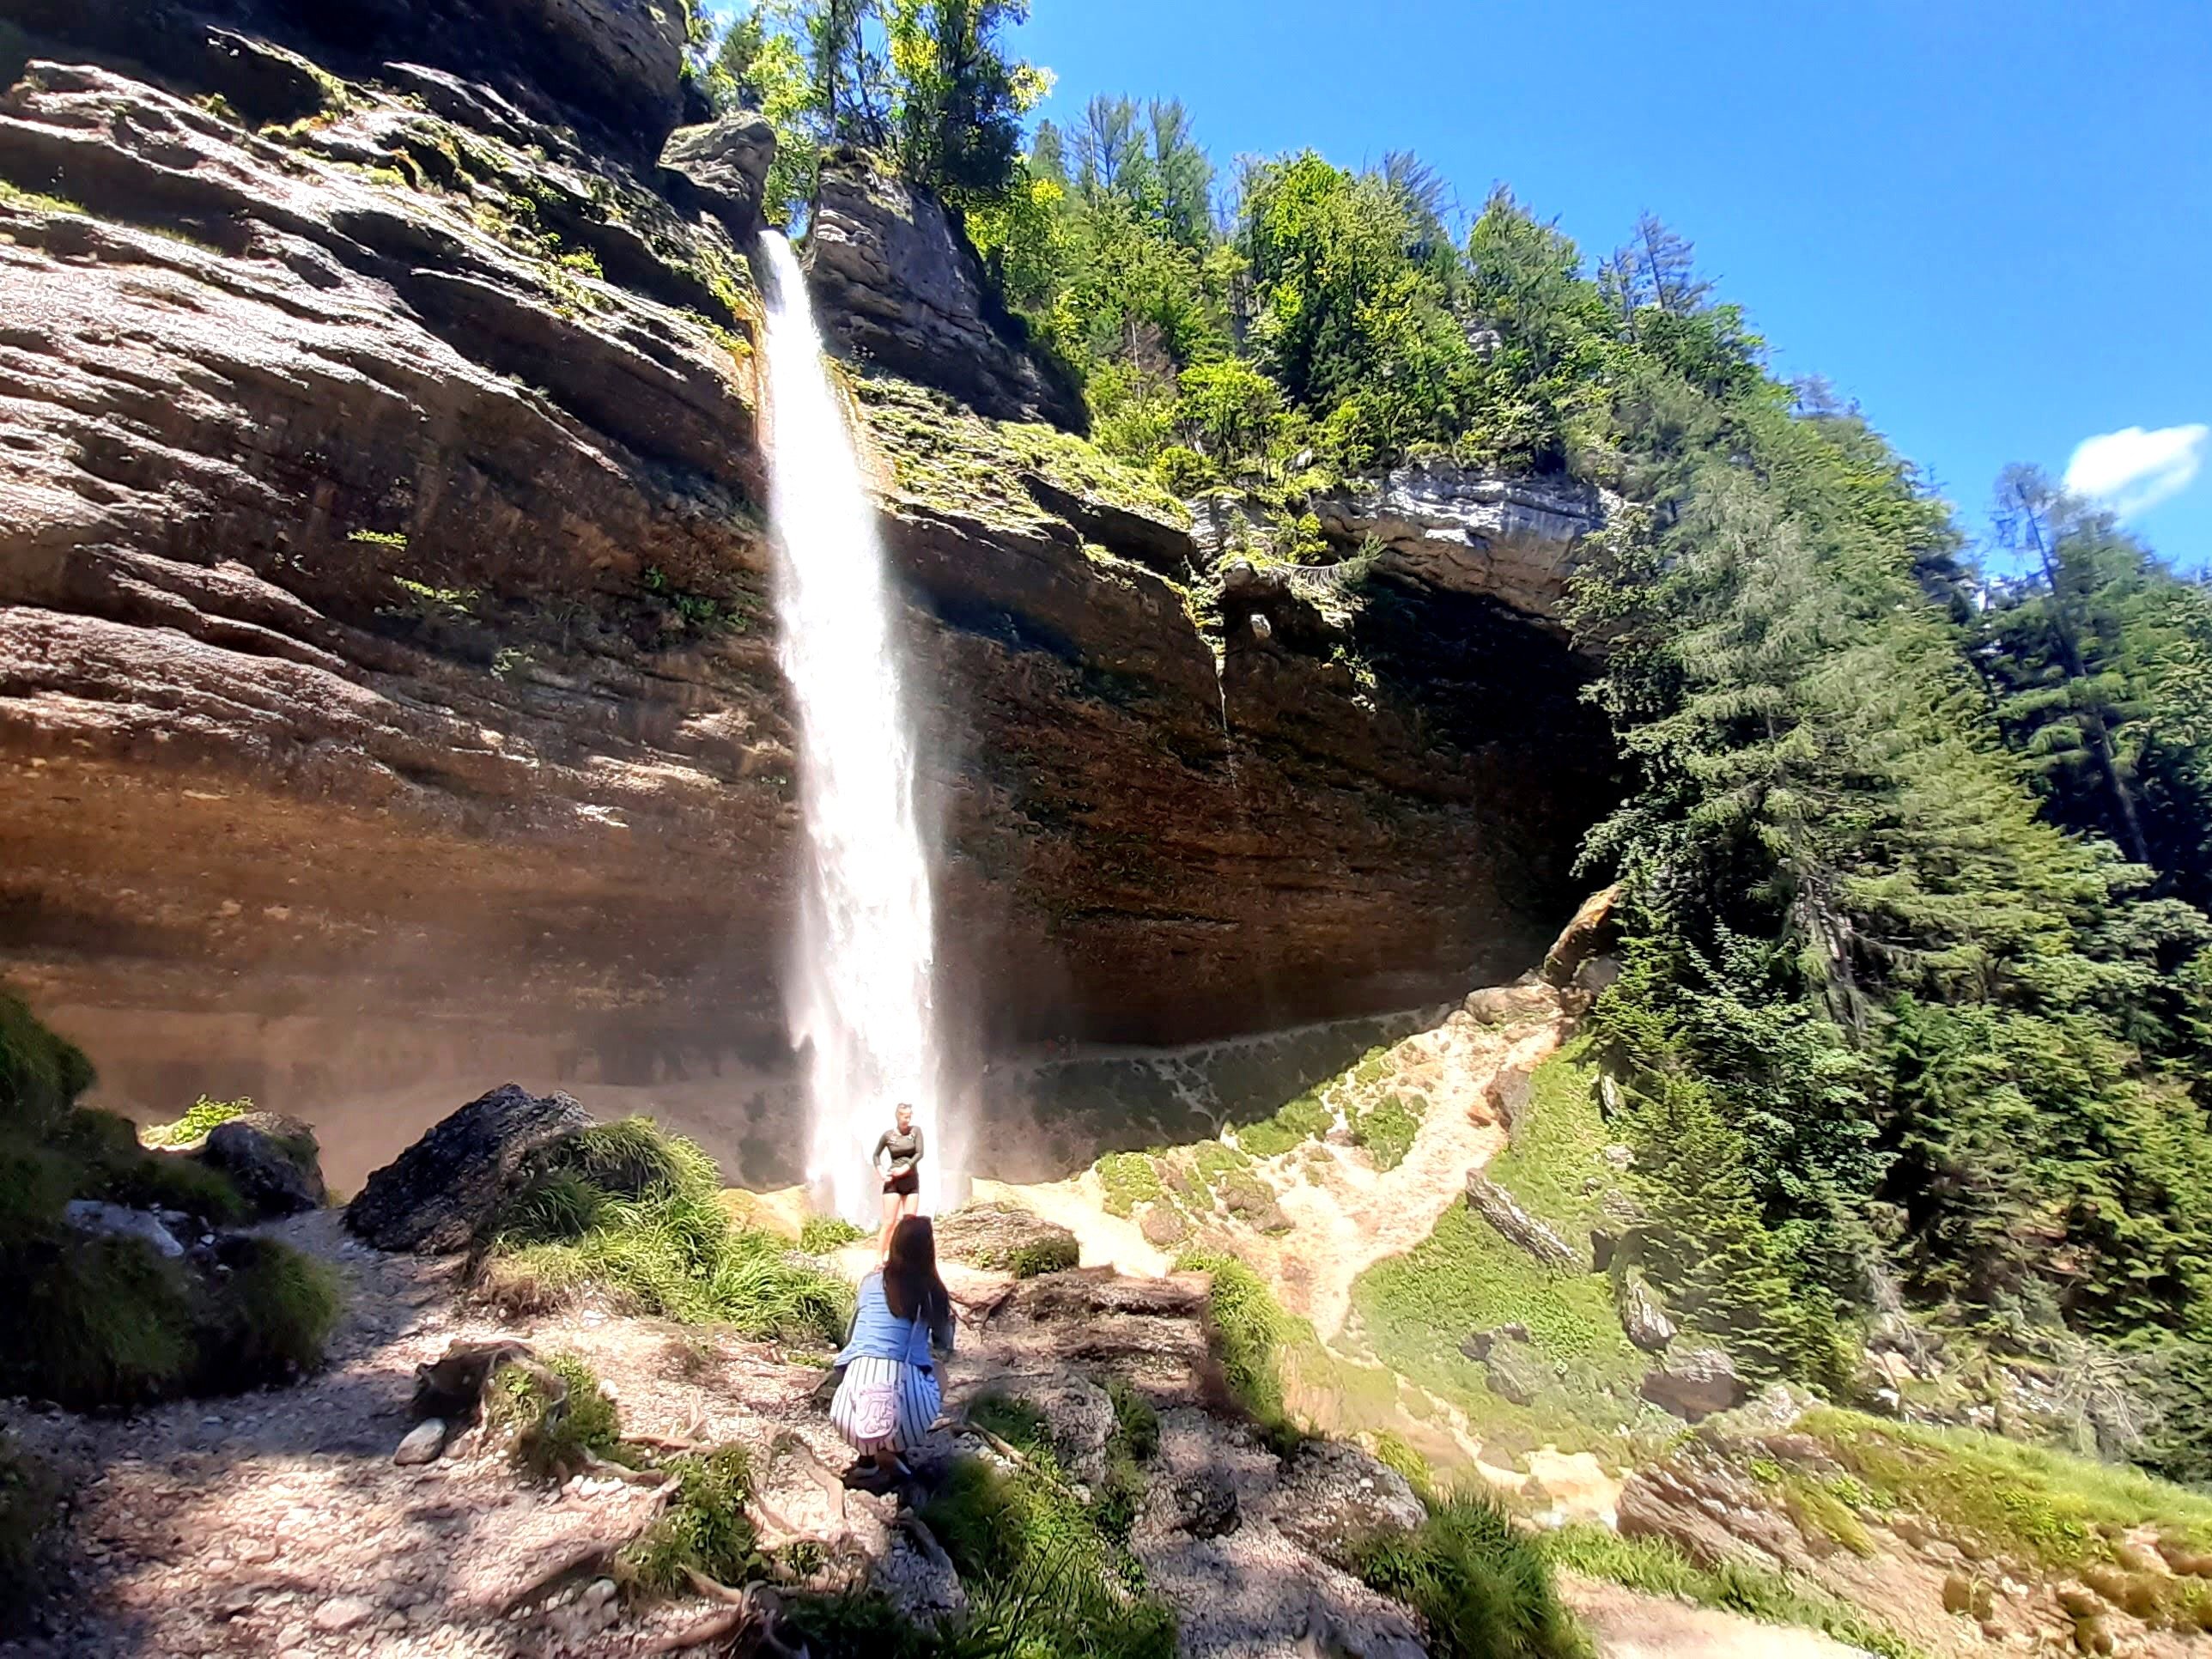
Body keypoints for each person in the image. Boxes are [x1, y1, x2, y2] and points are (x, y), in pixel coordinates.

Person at [830, 1214, 953, 1483]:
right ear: (929, 1249)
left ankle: (866, 1458)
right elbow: (946, 1344)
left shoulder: (870, 1282)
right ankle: (899, 1448)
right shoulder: (933, 1290)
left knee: (862, 1371)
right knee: (939, 1372)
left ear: (894, 1243)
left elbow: (852, 1337)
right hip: (908, 1418)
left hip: (847, 1416)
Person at [872, 1102, 925, 1258]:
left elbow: (920, 1153)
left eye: (909, 1116)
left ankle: (905, 1258)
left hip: (911, 1181)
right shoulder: (888, 1136)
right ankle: (879, 1258)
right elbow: (876, 1155)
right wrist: (881, 1171)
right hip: (893, 1182)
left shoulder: (916, 1131)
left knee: (909, 1224)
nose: (907, 1120)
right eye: (904, 1116)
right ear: (897, 1116)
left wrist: (906, 1167)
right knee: (889, 1222)